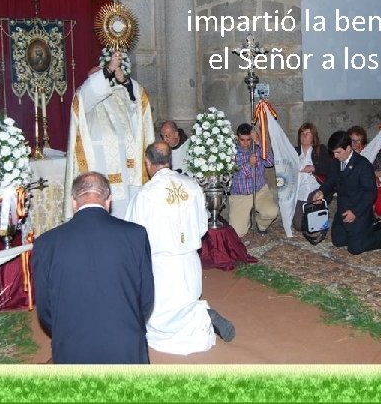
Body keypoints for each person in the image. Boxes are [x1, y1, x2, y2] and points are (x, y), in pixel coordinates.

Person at [32, 172, 154, 364]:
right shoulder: (135, 235)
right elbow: (146, 297)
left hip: (72, 349)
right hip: (126, 348)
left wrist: (64, 331)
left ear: (73, 202)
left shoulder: (46, 243)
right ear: (108, 201)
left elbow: (45, 309)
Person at [125, 142, 235, 354]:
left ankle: (201, 314)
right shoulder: (192, 186)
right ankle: (202, 314)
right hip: (190, 263)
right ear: (170, 161)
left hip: (162, 267)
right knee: (184, 304)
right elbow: (203, 226)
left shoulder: (145, 194)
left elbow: (133, 234)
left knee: (158, 321)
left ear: (148, 163)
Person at [64, 50, 155, 220]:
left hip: (127, 174)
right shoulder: (84, 98)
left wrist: (126, 82)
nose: (104, 78)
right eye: (97, 76)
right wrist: (108, 69)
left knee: (128, 216)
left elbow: (138, 104)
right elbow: (88, 93)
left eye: (105, 75)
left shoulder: (119, 95)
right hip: (100, 168)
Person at [311, 131, 381, 254]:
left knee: (355, 248)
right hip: (343, 209)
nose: (335, 156)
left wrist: (355, 212)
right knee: (338, 241)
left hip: (360, 211)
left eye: (338, 152)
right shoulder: (336, 161)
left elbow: (370, 193)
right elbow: (331, 179)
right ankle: (366, 231)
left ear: (348, 148)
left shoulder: (363, 165)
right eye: (333, 152)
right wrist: (321, 191)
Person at [229, 123, 279, 237]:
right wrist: (249, 164)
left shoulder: (257, 148)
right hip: (240, 194)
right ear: (237, 138)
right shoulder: (230, 153)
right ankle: (244, 219)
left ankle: (261, 224)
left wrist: (259, 143)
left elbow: (270, 162)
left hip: (260, 191)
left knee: (272, 212)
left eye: (249, 140)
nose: (246, 143)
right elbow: (234, 174)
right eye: (242, 140)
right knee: (238, 232)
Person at [292, 122, 334, 233]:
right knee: (298, 226)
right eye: (302, 133)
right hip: (300, 192)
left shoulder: (320, 150)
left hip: (315, 189)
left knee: (314, 222)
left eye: (308, 133)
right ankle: (313, 216)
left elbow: (329, 168)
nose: (304, 136)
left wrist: (314, 168)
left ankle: (318, 213)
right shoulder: (294, 152)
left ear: (313, 137)